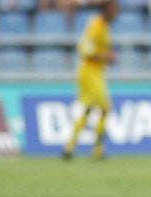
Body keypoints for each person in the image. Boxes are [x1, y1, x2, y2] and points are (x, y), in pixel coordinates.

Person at [61, 0, 117, 161]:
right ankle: (97, 150)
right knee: (105, 108)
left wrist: (106, 58)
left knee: (89, 109)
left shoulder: (104, 27)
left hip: (96, 72)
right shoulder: (96, 25)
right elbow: (84, 48)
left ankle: (69, 147)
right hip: (89, 71)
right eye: (114, 8)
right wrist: (106, 56)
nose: (116, 12)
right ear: (107, 9)